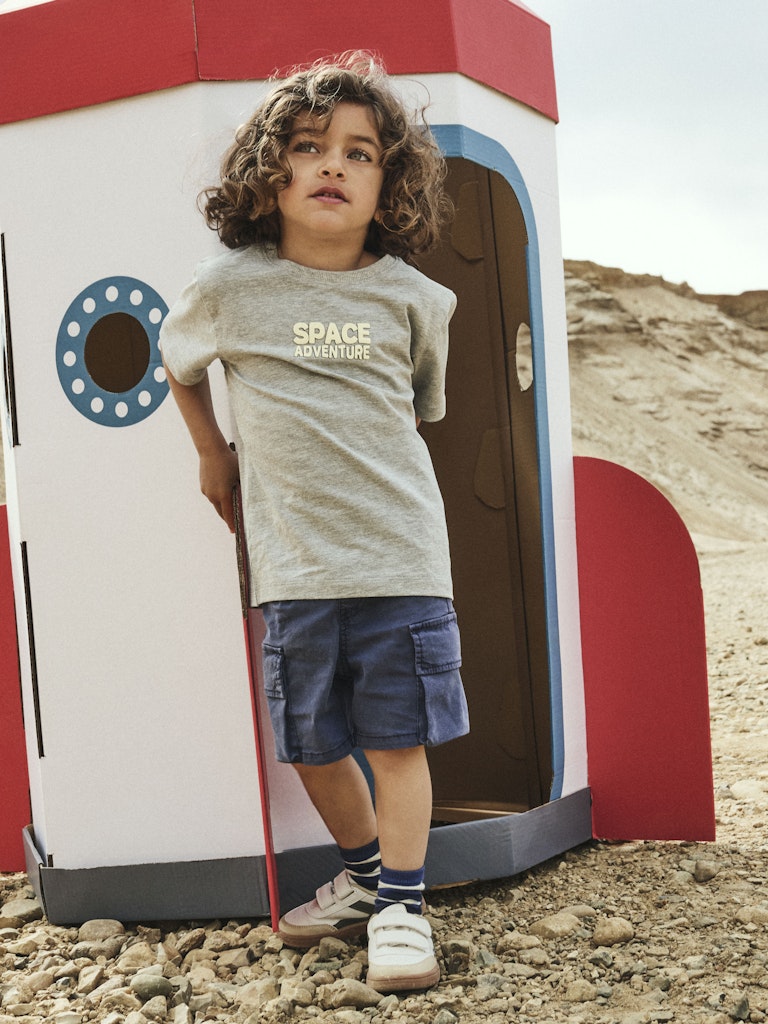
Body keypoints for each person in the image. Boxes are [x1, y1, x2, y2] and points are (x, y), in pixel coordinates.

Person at [160, 51, 469, 993]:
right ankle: (369, 877)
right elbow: (178, 365)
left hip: (402, 559)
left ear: (392, 182)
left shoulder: (418, 300)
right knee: (311, 742)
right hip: (295, 569)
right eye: (308, 147)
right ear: (272, 171)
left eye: (361, 152)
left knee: (397, 740)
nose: (333, 165)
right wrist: (213, 453)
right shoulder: (228, 288)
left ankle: (406, 908)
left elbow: (421, 409)